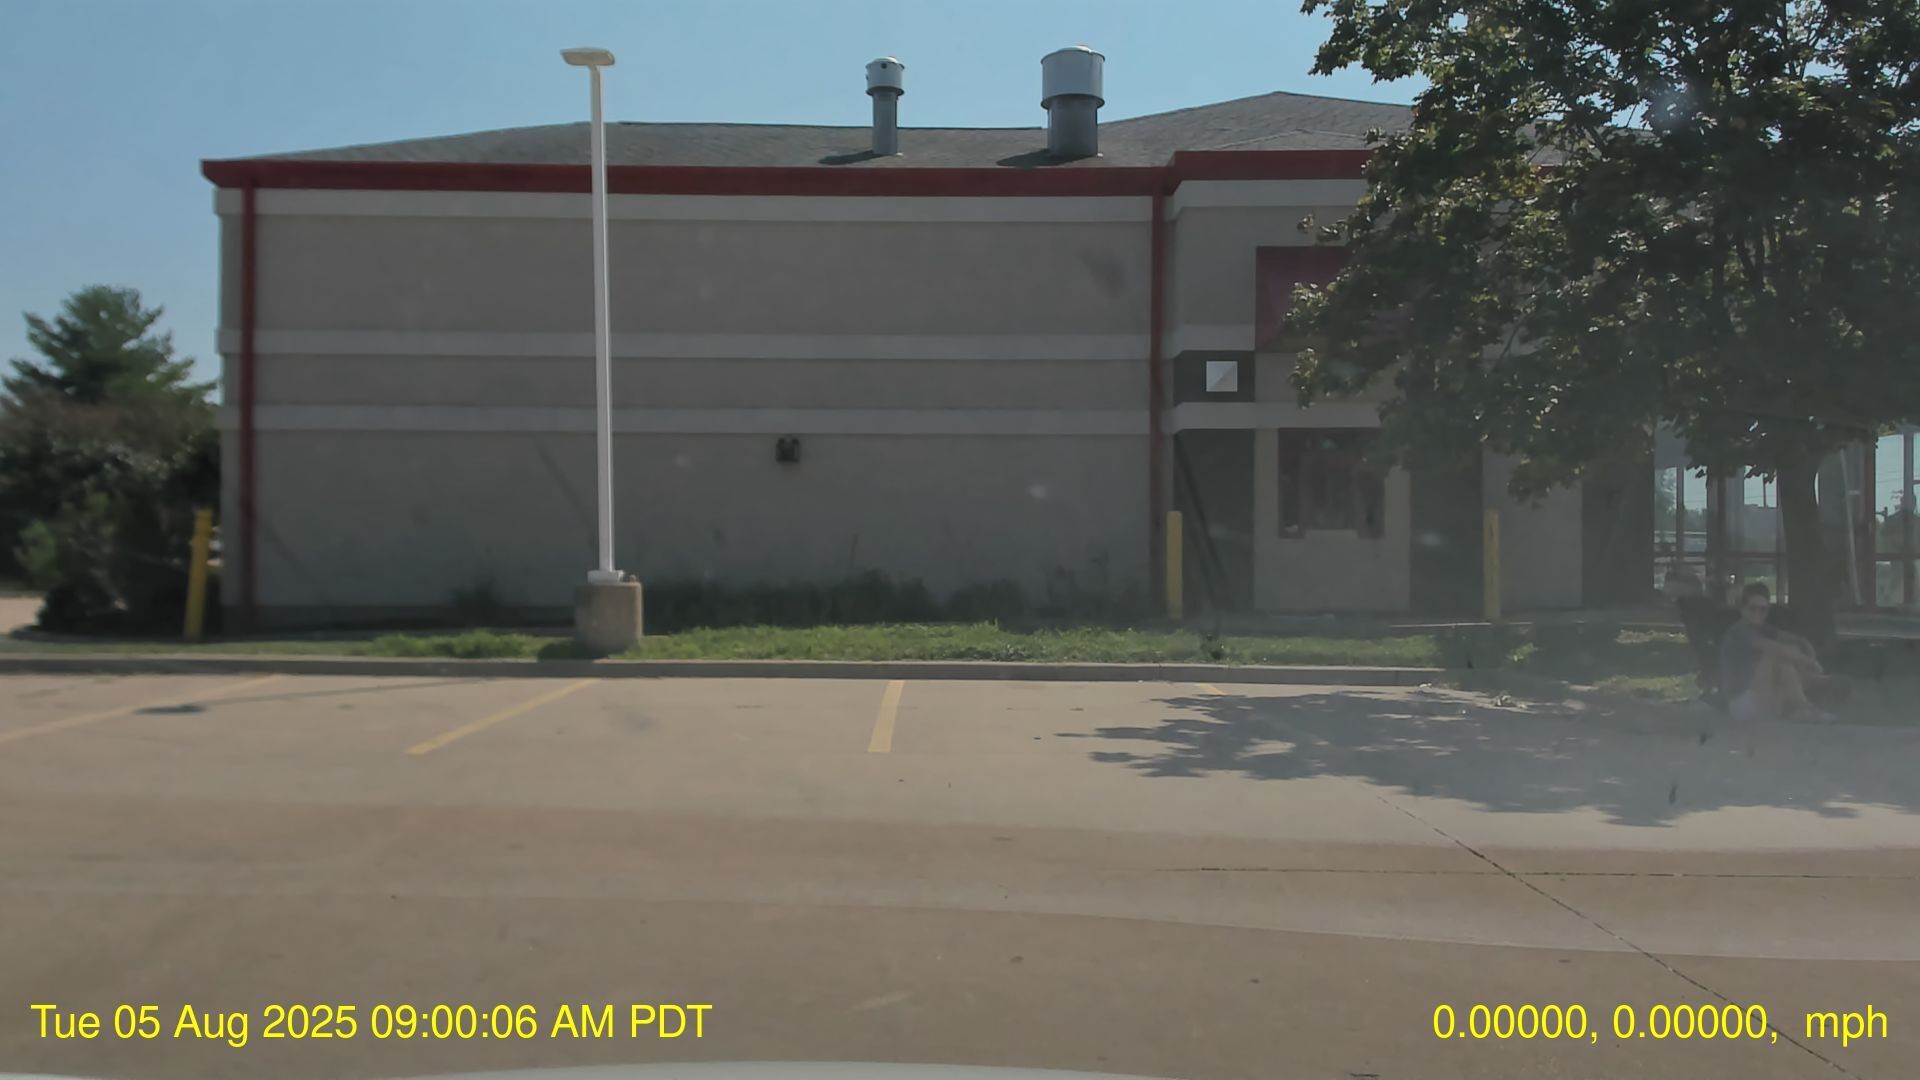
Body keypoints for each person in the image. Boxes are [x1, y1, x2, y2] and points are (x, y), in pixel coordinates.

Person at [1719, 582, 1830, 722]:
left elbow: (1795, 639)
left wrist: (1806, 648)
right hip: (1742, 701)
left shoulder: (1763, 629)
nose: (1757, 613)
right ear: (1743, 609)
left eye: (1762, 609)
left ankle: (1812, 690)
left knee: (1791, 652)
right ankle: (1804, 706)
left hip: (1763, 695)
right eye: (1752, 608)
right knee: (1778, 657)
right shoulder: (1738, 631)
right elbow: (1776, 649)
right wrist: (1811, 662)